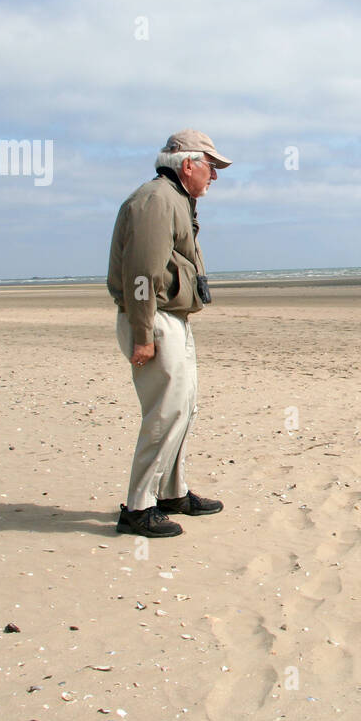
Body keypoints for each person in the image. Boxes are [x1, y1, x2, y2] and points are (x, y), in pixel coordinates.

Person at [106, 129, 230, 537]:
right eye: (211, 167)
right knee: (165, 412)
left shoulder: (175, 199)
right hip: (154, 318)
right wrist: (143, 334)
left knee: (184, 407)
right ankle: (138, 508)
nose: (214, 177)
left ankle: (171, 492)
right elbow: (141, 274)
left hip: (171, 318)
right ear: (188, 164)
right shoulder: (157, 201)